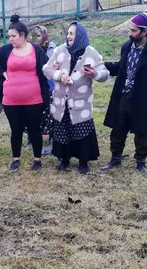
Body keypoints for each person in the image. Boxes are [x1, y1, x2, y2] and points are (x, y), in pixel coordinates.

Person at [101, 12, 147, 173]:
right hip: (123, 96)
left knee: (142, 131)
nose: (129, 33)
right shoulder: (126, 47)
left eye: (133, 31)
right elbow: (119, 68)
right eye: (129, 30)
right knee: (118, 128)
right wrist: (100, 65)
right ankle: (115, 157)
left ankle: (141, 161)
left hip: (143, 99)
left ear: (145, 32)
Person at [0, 15, 50, 172]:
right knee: (16, 129)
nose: (11, 39)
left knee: (35, 129)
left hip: (34, 98)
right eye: (9, 36)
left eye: (13, 36)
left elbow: (45, 68)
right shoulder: (7, 50)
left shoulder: (36, 50)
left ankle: (37, 159)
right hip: (11, 99)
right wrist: (3, 73)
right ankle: (16, 159)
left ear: (23, 35)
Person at [43, 22, 108, 174]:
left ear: (80, 36)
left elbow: (104, 73)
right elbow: (45, 68)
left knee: (81, 131)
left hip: (81, 104)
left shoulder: (91, 53)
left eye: (72, 34)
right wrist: (59, 75)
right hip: (61, 102)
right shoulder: (59, 51)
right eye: (68, 33)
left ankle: (83, 162)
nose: (68, 36)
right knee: (62, 131)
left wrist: (94, 74)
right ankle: (64, 160)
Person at [34, 25, 56, 156]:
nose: (36, 39)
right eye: (34, 36)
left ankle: (53, 138)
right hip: (38, 87)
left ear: (44, 35)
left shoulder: (51, 49)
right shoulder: (32, 48)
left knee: (51, 113)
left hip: (50, 86)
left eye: (38, 36)